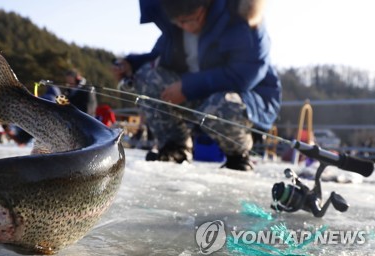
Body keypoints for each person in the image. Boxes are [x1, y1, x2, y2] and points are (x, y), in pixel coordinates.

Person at [112, 0, 281, 171]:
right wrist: (131, 64)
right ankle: (176, 147)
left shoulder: (240, 19)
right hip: (197, 95)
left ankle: (238, 155)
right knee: (147, 77)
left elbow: (243, 75)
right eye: (178, 21)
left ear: (204, 8)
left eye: (188, 20)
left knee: (220, 106)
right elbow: (158, 58)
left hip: (247, 100)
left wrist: (188, 87)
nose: (183, 26)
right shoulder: (176, 28)